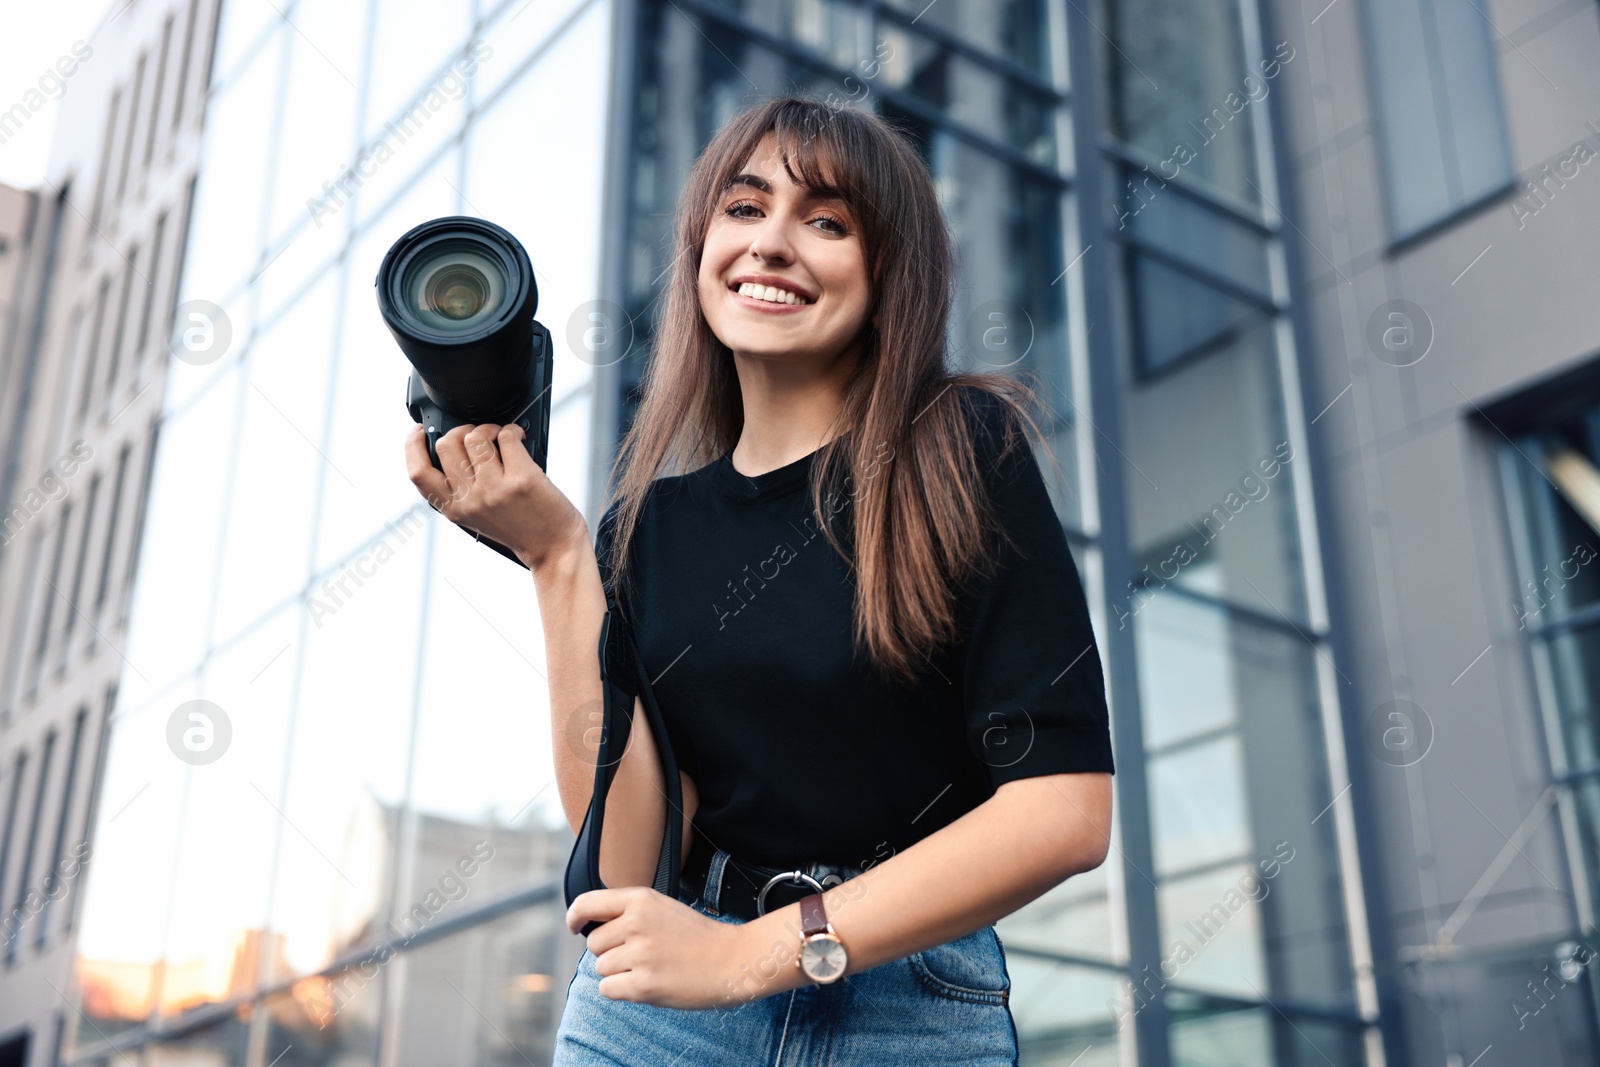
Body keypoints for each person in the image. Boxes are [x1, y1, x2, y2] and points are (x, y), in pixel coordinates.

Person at [404, 95, 1115, 1066]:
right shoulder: (645, 529)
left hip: (903, 1010)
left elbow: (1061, 812)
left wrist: (752, 952)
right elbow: (626, 862)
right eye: (743, 210)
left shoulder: (961, 452)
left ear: (886, 273)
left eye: (825, 221)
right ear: (702, 248)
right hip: (658, 1015)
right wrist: (559, 558)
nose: (772, 242)